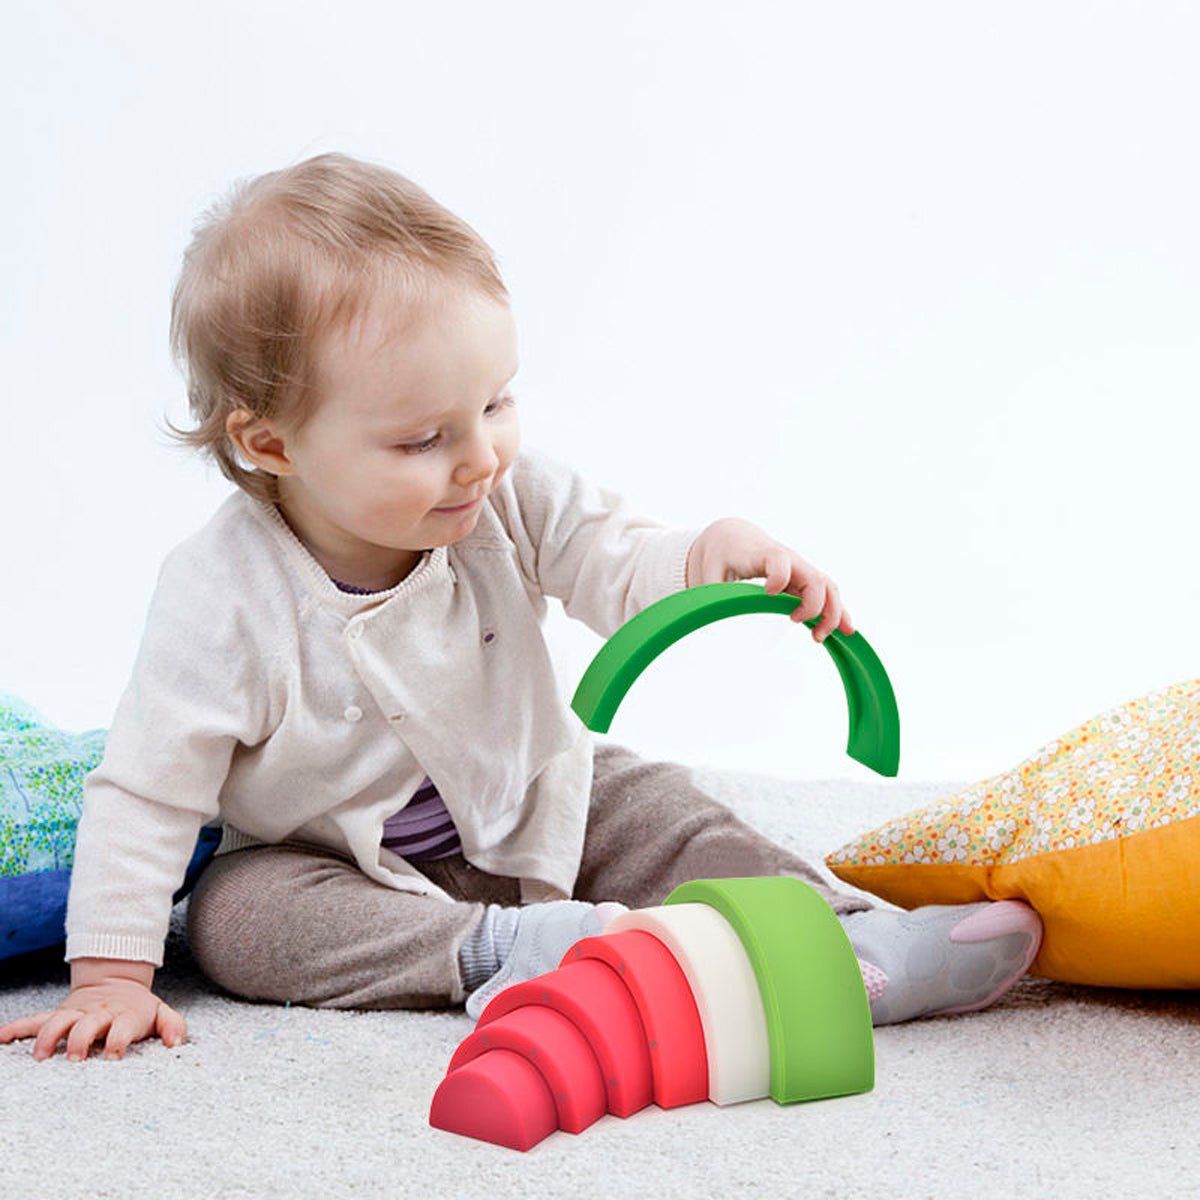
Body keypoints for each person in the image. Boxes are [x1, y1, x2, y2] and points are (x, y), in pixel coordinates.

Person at [0, 153, 1042, 1062]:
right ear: (270, 444)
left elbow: (616, 558)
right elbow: (144, 792)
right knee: (234, 921)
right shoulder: (220, 595)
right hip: (335, 859)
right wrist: (109, 976)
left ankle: (852, 937)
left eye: (496, 401)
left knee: (656, 804)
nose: (479, 454)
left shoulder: (506, 491)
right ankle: (529, 953)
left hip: (529, 798)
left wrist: (706, 557)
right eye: (422, 437)